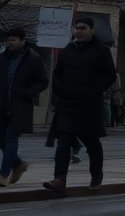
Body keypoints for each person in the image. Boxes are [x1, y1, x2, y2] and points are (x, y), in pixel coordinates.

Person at [43, 16, 117, 195]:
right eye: (76, 28)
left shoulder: (101, 50)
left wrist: (93, 90)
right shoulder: (68, 49)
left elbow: (109, 75)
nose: (78, 31)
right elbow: (58, 73)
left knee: (92, 143)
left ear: (92, 31)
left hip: (88, 105)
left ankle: (96, 174)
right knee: (64, 142)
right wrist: (60, 90)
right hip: (67, 104)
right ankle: (60, 179)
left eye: (82, 28)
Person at [0, 28, 47, 187]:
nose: (10, 43)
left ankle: (3, 175)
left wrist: (29, 92)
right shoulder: (1, 58)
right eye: (8, 40)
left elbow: (43, 81)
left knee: (11, 136)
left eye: (13, 40)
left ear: (22, 40)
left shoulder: (33, 59)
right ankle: (19, 164)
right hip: (1, 104)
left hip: (20, 104)